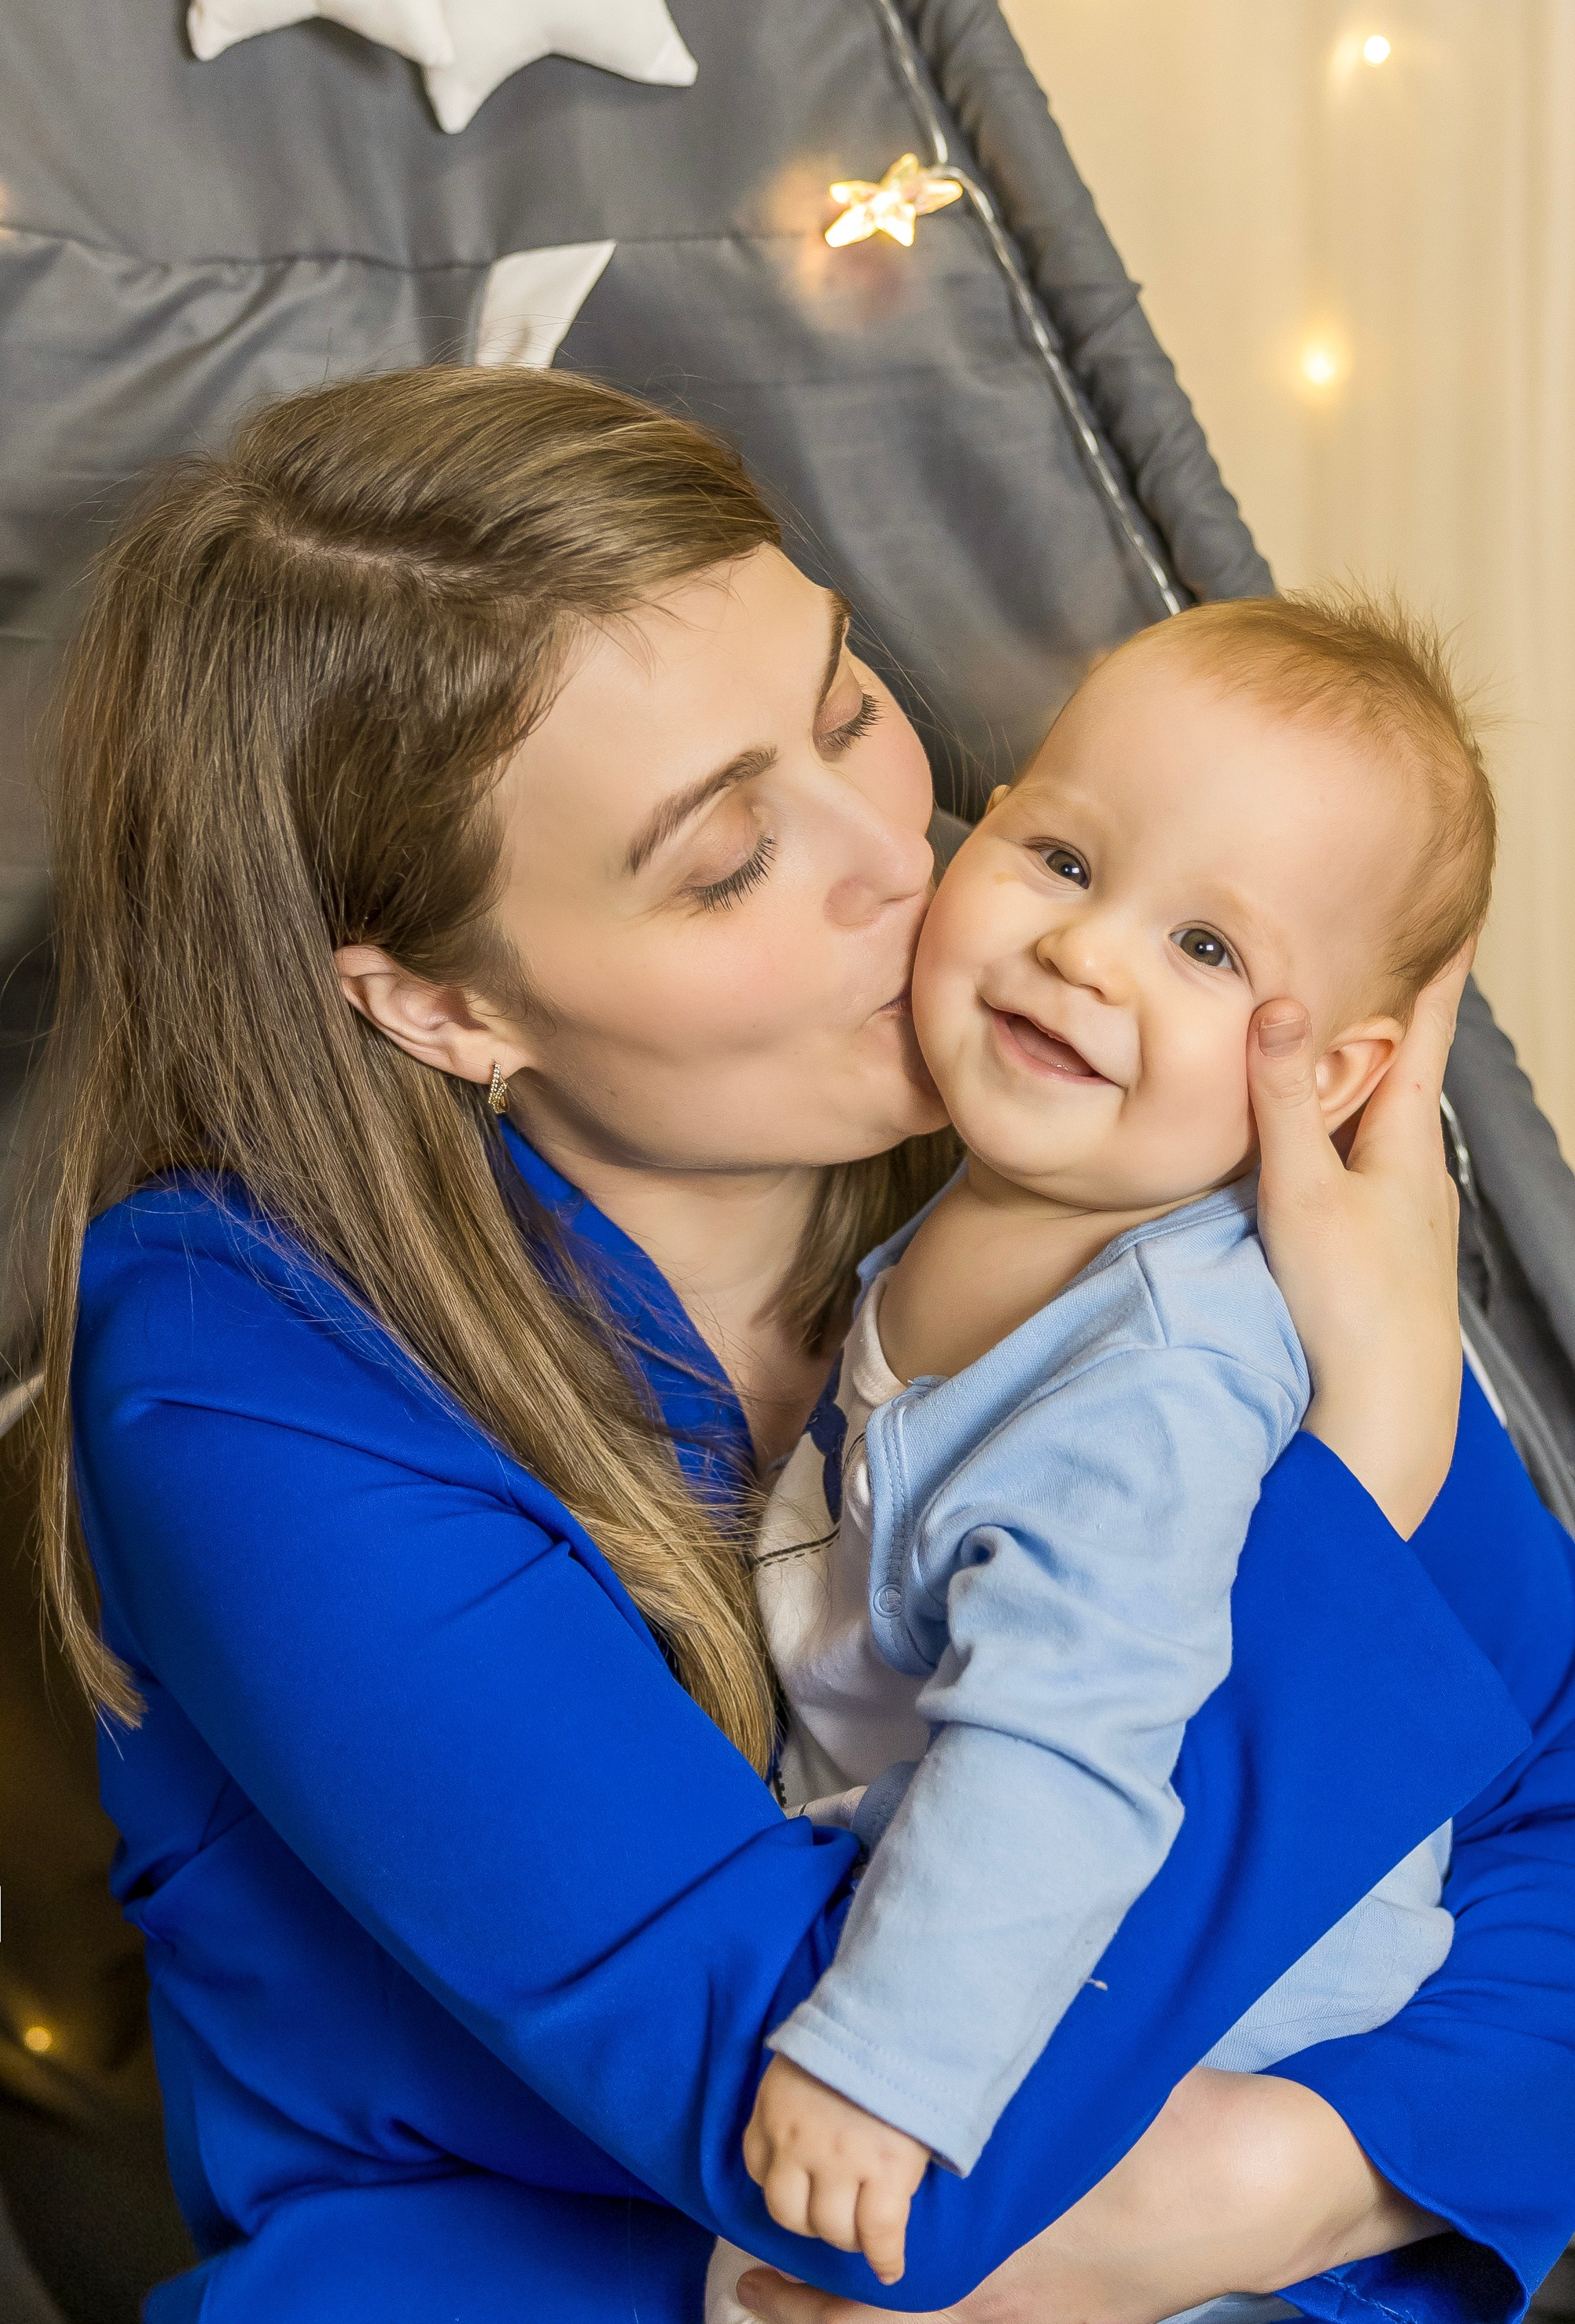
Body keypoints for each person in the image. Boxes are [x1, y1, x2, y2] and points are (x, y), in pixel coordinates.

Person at [26, 366, 1575, 2324]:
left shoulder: (1094, 1152)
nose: (896, 851)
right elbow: (879, 2145)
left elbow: (1552, 1803)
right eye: (724, 857)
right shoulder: (234, 1361)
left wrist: (1285, 2178)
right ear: (435, 1001)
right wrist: (1362, 1464)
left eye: (847, 700)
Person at [728, 592, 1494, 2301]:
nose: (1087, 953)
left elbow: (1064, 1747)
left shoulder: (1158, 1380)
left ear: (1336, 1080)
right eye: (1065, 860)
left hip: (1180, 2008)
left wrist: (885, 2062)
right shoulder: (1002, 1204)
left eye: (1208, 952)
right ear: (981, 821)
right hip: (1050, 1919)